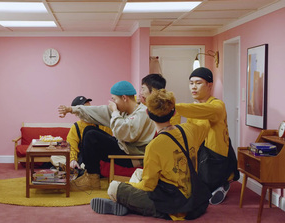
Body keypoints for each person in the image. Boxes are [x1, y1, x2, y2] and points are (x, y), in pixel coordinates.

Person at [90, 89, 210, 220]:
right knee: (137, 173)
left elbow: (148, 186)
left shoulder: (155, 146)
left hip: (174, 203)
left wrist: (129, 187)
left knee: (114, 188)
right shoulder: (189, 129)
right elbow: (206, 122)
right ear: (174, 112)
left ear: (148, 113)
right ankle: (126, 205)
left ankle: (127, 205)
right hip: (193, 194)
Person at [57, 81, 155, 191]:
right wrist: (71, 109)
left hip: (132, 155)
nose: (113, 103)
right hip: (124, 148)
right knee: (89, 130)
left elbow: (125, 134)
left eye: (114, 99)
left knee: (91, 135)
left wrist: (114, 112)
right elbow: (99, 110)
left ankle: (92, 179)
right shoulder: (124, 111)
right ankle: (91, 177)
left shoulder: (142, 113)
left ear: (124, 98)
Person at [173, 67, 239, 205]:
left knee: (200, 194)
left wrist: (173, 108)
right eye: (191, 83)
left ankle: (221, 184)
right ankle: (215, 186)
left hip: (215, 157)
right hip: (200, 154)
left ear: (209, 85)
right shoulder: (193, 109)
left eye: (198, 83)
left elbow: (204, 111)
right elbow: (189, 131)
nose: (193, 87)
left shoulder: (217, 105)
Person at [52, 96, 112, 170]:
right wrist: (73, 160)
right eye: (85, 110)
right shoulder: (76, 127)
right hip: (81, 156)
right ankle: (75, 167)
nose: (88, 112)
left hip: (99, 157)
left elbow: (109, 144)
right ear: (76, 113)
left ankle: (79, 169)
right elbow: (71, 146)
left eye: (89, 108)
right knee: (55, 157)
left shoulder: (102, 123)